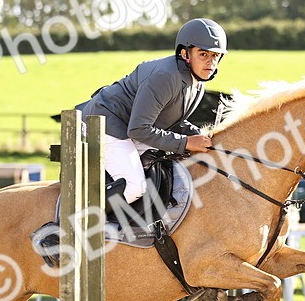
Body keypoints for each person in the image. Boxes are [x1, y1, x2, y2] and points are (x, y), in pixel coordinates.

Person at [79, 18, 223, 213]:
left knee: (168, 163)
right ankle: (73, 222)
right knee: (135, 187)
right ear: (185, 53)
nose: (210, 61)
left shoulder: (197, 81)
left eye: (215, 55)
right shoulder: (165, 76)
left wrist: (202, 136)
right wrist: (186, 142)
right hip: (105, 123)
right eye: (203, 54)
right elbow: (138, 129)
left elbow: (173, 120)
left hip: (129, 127)